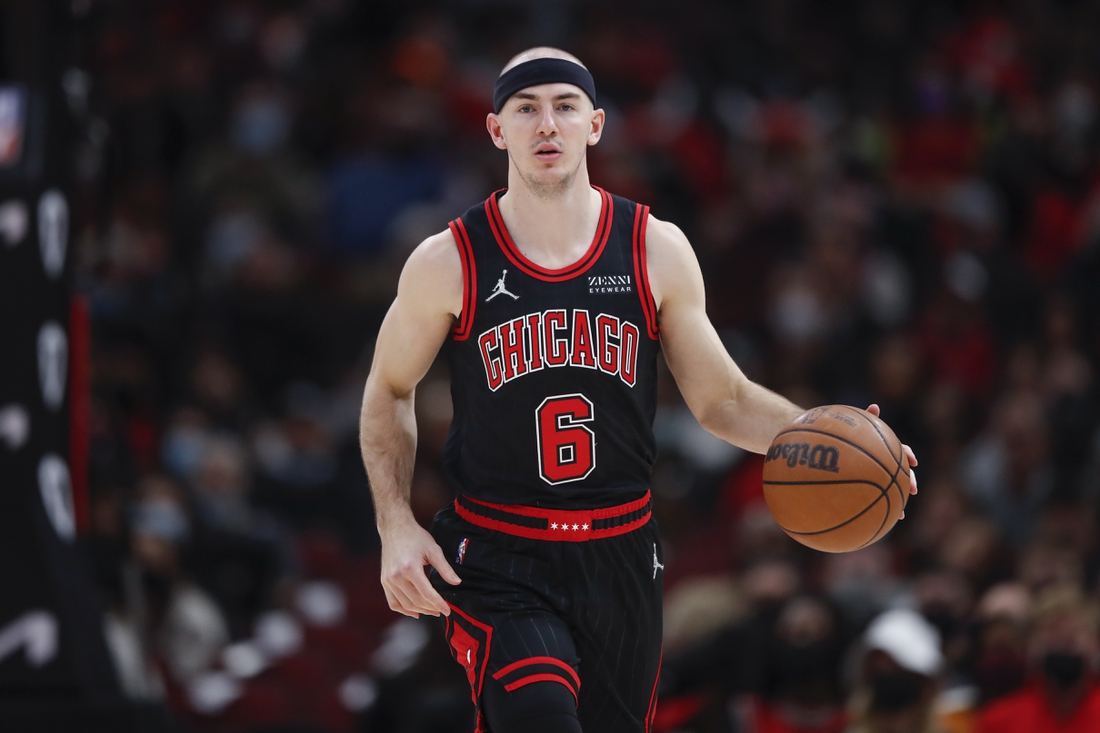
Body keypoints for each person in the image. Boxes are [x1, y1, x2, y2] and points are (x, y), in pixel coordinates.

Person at [359, 47, 919, 733]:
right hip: (501, 552)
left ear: (594, 125)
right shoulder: (448, 259)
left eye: (564, 106)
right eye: (525, 109)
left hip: (621, 552)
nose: (547, 124)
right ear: (495, 129)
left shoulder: (656, 247)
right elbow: (389, 387)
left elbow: (723, 400)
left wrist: (824, 433)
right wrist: (394, 523)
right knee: (538, 711)